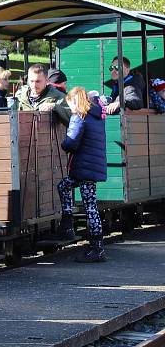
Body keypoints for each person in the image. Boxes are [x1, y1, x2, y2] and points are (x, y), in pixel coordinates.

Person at [57, 87, 108, 262]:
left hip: (83, 167)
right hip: (92, 165)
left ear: (74, 101)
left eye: (69, 103)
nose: (69, 107)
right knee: (66, 188)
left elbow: (71, 143)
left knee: (90, 206)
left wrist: (63, 145)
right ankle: (68, 224)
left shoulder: (79, 116)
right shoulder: (95, 116)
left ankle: (96, 248)